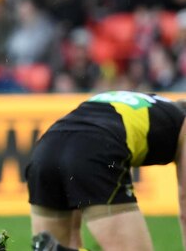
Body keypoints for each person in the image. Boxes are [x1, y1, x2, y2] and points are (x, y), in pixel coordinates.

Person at [24, 91, 186, 251]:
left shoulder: (151, 103)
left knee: (59, 243)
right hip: (95, 149)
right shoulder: (181, 121)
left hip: (46, 149)